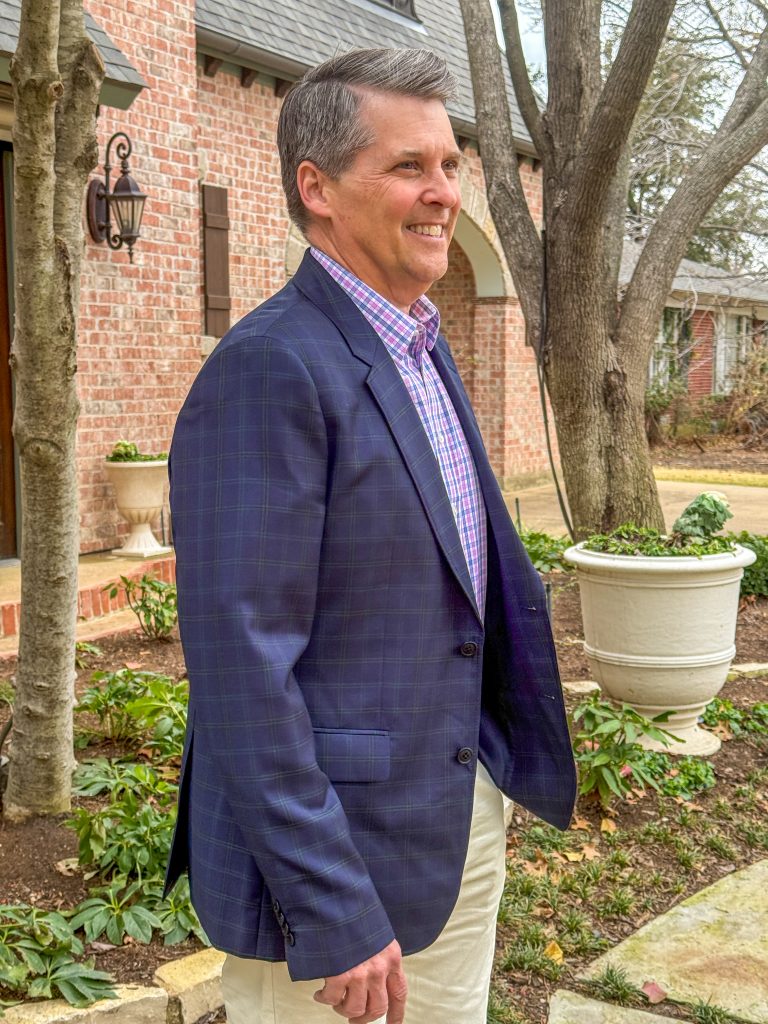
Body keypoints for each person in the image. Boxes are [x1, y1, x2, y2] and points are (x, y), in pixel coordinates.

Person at [165, 47, 576, 1024]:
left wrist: (485, 783)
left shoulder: (424, 348)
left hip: (449, 821)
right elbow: (241, 667)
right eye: (408, 167)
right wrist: (331, 902)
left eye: (448, 163)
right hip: (335, 870)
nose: (443, 193)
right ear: (317, 187)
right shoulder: (268, 369)